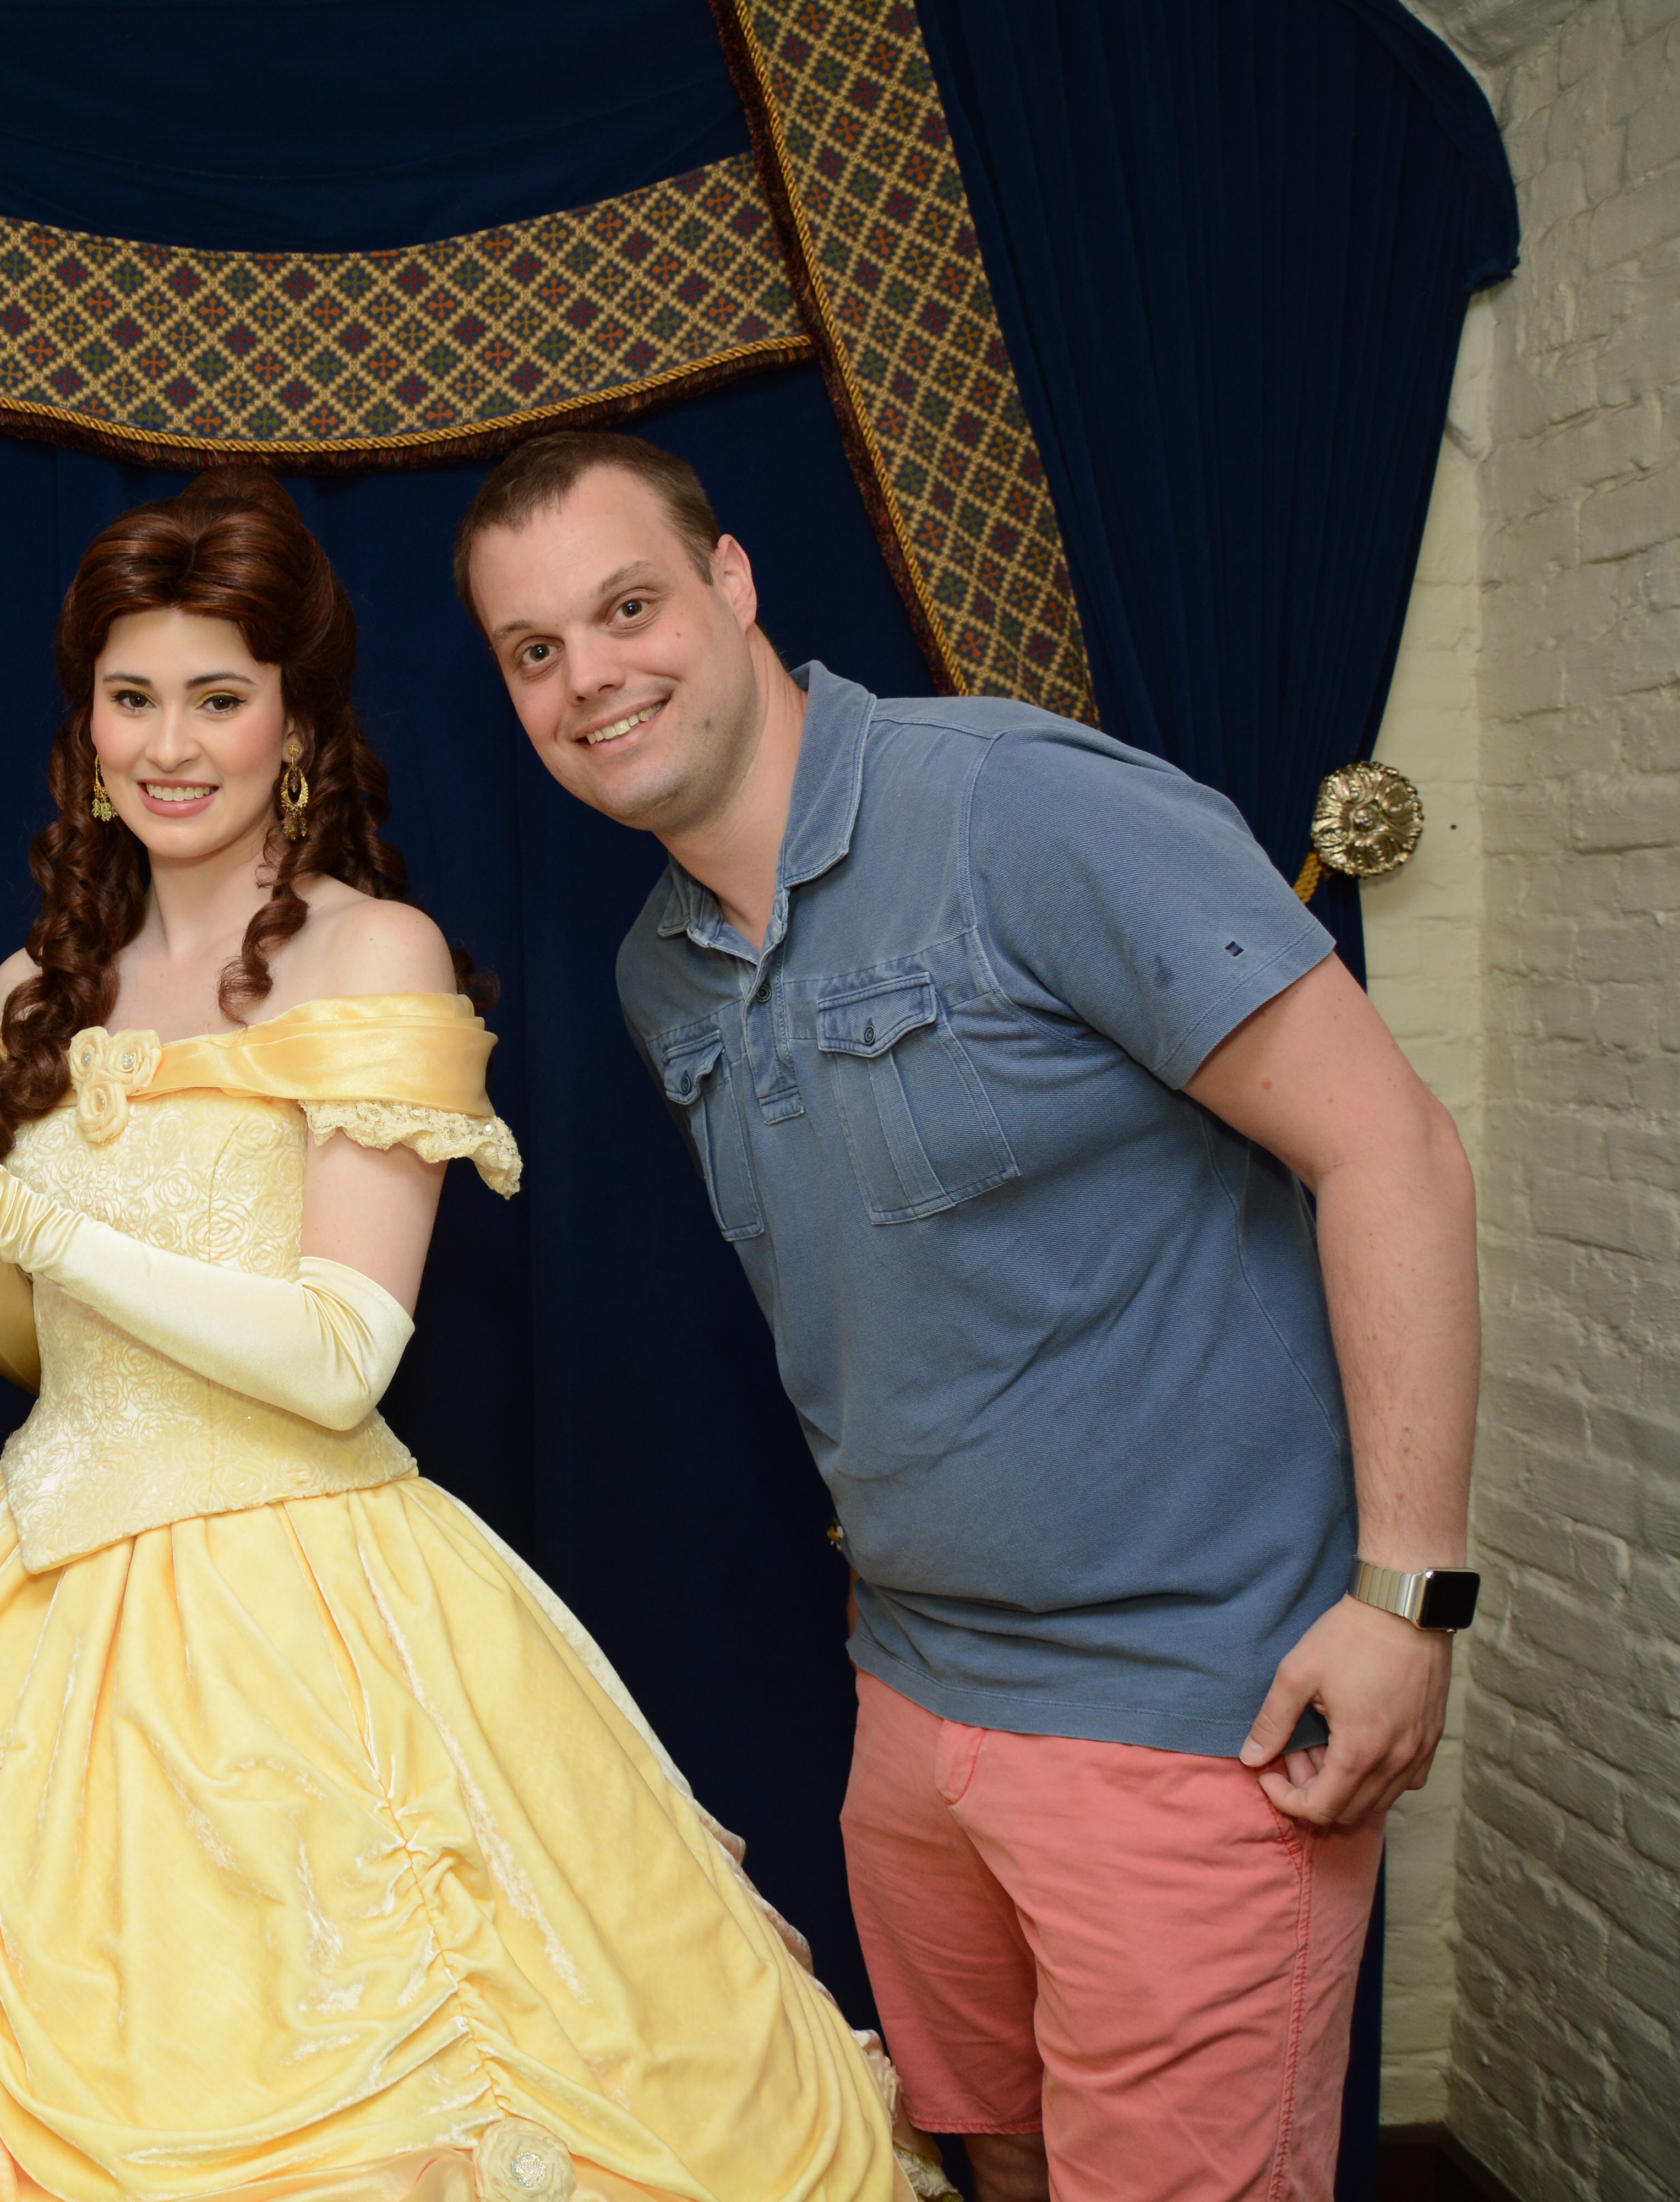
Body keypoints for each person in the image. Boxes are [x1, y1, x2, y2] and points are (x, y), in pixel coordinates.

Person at [0, 470, 924, 2202]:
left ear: (297, 720)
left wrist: (26, 1223)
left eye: (218, 697)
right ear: (87, 725)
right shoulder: (36, 985)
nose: (170, 743)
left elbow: (342, 1359)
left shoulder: (377, 953)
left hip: (313, 1607)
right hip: (33, 1585)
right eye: (132, 698)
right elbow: (44, 1355)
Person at [456, 431, 1482, 2202]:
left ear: (732, 583)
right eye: (533, 650)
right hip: (916, 1705)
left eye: (628, 608)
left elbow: (1392, 1149)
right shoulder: (659, 972)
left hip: (1194, 1709)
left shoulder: (1017, 808)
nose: (590, 676)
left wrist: (1410, 1597)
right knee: (991, 2166)